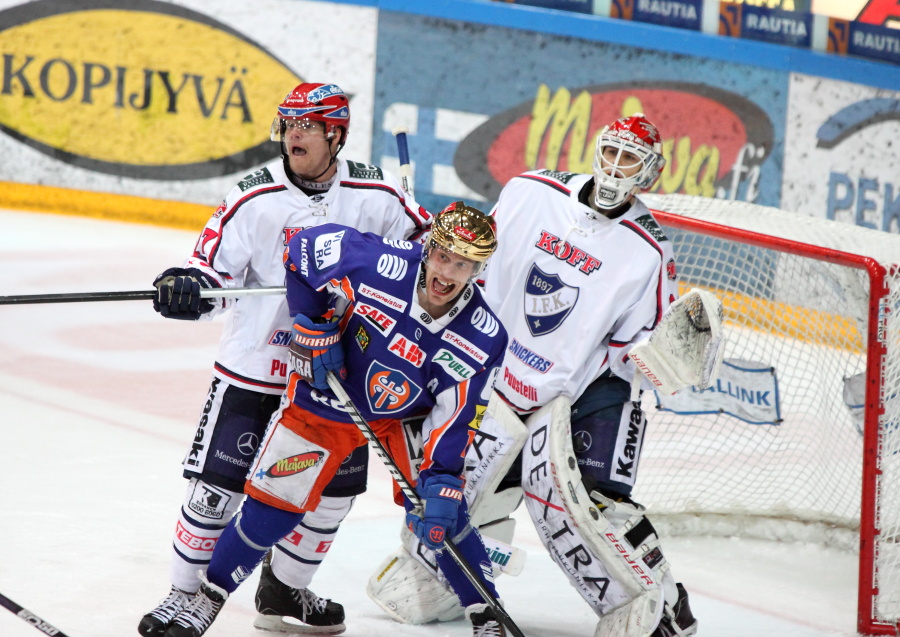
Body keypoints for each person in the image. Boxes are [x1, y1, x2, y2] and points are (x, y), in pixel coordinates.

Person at [369, 114, 707, 636]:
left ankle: (665, 601)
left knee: (601, 504)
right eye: (612, 152)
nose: (617, 167)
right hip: (495, 376)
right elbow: (474, 258)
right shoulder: (531, 190)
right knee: (456, 491)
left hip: (582, 393)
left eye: (630, 159)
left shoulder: (649, 248)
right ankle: (450, 579)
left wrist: (660, 358)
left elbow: (639, 343)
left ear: (649, 173)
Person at [139, 82, 432, 637]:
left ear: (335, 134)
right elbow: (212, 273)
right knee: (216, 490)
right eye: (287, 123)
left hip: (338, 379)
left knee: (332, 496)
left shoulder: (378, 194)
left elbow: (427, 262)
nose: (292, 134)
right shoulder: (254, 197)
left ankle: (284, 589)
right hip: (257, 371)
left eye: (306, 125)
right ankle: (182, 596)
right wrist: (189, 287)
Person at [161, 202, 512, 637]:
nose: (448, 272)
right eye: (443, 255)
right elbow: (300, 249)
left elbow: (456, 414)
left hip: (400, 419)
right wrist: (312, 323)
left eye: (464, 264)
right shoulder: (376, 261)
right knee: (274, 505)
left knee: (444, 511)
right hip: (328, 397)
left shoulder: (484, 335)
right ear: (429, 248)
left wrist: (441, 476)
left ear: (479, 268)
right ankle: (207, 597)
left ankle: (486, 613)